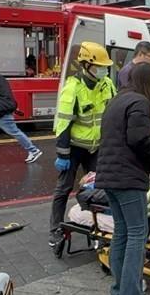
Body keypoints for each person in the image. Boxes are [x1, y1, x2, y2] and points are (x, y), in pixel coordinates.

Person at [95, 63, 150, 295]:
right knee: (137, 233)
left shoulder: (117, 100)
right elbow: (138, 140)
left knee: (121, 233)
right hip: (128, 177)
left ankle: (120, 290)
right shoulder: (140, 103)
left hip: (108, 176)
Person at [49, 42, 116, 248]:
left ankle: (99, 227)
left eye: (105, 67)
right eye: (100, 67)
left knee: (100, 188)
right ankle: (55, 229)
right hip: (75, 147)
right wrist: (63, 154)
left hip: (97, 147)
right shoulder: (73, 88)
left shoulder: (107, 85)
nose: (104, 70)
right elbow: (63, 123)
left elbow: (113, 114)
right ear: (86, 65)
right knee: (64, 188)